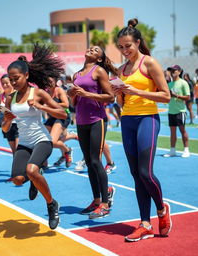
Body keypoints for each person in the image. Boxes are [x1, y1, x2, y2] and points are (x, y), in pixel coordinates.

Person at [113, 18, 172, 242]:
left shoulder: (149, 63)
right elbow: (121, 101)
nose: (124, 50)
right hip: (127, 120)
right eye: (121, 46)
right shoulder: (121, 69)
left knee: (146, 172)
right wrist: (117, 91)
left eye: (128, 45)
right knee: (136, 175)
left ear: (137, 42)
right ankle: (145, 223)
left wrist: (135, 90)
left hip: (148, 118)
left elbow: (165, 96)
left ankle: (161, 211)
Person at [1, 43, 67, 230]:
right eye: (11, 80)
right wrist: (6, 120)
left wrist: (41, 107)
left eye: (16, 78)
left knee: (31, 170)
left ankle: (51, 204)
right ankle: (35, 179)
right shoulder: (9, 99)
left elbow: (63, 113)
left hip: (42, 140)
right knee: (18, 180)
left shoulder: (37, 93)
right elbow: (6, 129)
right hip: (25, 143)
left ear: (27, 75)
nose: (13, 82)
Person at [67, 45, 116, 219]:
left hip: (97, 120)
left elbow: (111, 97)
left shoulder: (99, 71)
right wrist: (73, 95)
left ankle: (105, 203)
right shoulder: (76, 75)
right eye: (91, 48)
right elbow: (75, 104)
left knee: (96, 161)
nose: (91, 49)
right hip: (81, 121)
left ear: (100, 59)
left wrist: (87, 94)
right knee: (88, 162)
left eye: (96, 50)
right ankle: (96, 201)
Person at [44, 76, 73, 168]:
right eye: (47, 82)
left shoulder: (59, 90)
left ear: (55, 81)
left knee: (52, 142)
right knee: (41, 139)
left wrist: (50, 104)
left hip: (62, 117)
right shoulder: (46, 92)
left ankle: (67, 150)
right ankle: (43, 163)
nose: (49, 83)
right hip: (52, 117)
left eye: (51, 81)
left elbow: (66, 104)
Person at [163, 65, 191, 158]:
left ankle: (186, 150)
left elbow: (188, 97)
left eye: (174, 70)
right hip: (171, 111)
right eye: (171, 71)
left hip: (180, 111)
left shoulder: (183, 83)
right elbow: (167, 97)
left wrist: (176, 96)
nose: (172, 72)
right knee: (172, 132)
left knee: (182, 131)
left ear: (179, 71)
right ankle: (172, 150)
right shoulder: (169, 84)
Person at [0, 74, 19, 154]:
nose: (5, 85)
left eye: (7, 83)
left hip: (18, 125)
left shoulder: (17, 94)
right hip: (7, 126)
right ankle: (17, 166)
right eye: (3, 84)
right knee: (14, 151)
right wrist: (0, 112)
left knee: (18, 149)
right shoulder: (1, 96)